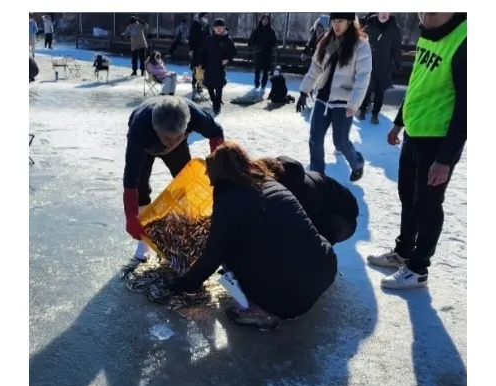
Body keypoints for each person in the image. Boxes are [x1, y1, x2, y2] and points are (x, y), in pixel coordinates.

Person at [167, 142, 338, 330]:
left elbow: (213, 254)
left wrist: (184, 284)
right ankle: (299, 288)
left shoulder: (228, 200)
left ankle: (254, 311)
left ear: (219, 173)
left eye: (210, 174)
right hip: (325, 269)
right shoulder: (268, 181)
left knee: (229, 251)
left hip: (290, 298)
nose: (209, 180)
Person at [367, 13, 466, 290]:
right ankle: (403, 252)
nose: (425, 17)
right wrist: (400, 121)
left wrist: (445, 159)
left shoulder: (465, 40)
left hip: (438, 141)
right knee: (408, 197)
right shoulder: (427, 31)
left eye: (432, 12)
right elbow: (418, 81)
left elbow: (467, 108)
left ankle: (418, 268)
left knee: (427, 206)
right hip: (414, 131)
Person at [122, 96, 225, 260]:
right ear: (155, 129)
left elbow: (216, 132)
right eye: (167, 138)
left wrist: (216, 165)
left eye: (177, 137)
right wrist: (131, 217)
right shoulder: (139, 130)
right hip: (147, 148)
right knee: (141, 187)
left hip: (178, 150)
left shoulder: (194, 115)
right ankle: (144, 240)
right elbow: (130, 178)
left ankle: (186, 231)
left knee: (186, 184)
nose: (171, 142)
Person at [296, 13, 372, 181]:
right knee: (315, 138)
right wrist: (304, 91)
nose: (336, 25)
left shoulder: (360, 45)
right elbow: (316, 67)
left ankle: (357, 163)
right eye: (334, 21)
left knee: (340, 142)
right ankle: (317, 175)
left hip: (344, 101)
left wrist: (354, 103)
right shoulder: (329, 41)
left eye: (341, 21)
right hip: (323, 98)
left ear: (350, 22)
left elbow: (363, 77)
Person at [258, 155, 359, 245]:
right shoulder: (284, 172)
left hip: (344, 218)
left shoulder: (302, 196)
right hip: (327, 202)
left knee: (303, 241)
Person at [358, 13, 403, 124]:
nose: (384, 14)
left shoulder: (394, 28)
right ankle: (362, 109)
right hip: (369, 63)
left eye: (387, 12)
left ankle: (375, 114)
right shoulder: (370, 25)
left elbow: (396, 47)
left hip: (384, 65)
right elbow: (360, 43)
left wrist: (398, 63)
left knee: (380, 90)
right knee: (367, 87)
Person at [198, 18, 237, 115]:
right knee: (210, 87)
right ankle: (214, 100)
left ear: (224, 28)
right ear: (214, 28)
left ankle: (217, 106)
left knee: (219, 87)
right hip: (209, 67)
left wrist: (227, 59)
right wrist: (201, 64)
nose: (219, 29)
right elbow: (203, 52)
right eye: (217, 27)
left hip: (220, 68)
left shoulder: (227, 40)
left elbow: (234, 52)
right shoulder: (209, 39)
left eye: (221, 27)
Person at [248, 14, 278, 95]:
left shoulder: (271, 31)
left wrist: (273, 45)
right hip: (258, 54)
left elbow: (274, 42)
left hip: (267, 54)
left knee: (265, 71)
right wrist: (255, 47)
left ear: (268, 21)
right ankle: (256, 85)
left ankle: (263, 86)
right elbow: (251, 41)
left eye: (266, 20)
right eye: (263, 19)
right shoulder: (256, 30)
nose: (265, 21)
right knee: (257, 71)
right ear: (261, 20)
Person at [188, 13, 211, 96]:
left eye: (207, 17)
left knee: (202, 69)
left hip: (204, 51)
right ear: (201, 17)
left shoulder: (206, 26)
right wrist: (191, 49)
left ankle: (199, 85)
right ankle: (194, 85)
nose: (206, 18)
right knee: (197, 68)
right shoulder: (196, 24)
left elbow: (209, 36)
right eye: (205, 17)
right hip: (197, 50)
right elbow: (191, 38)